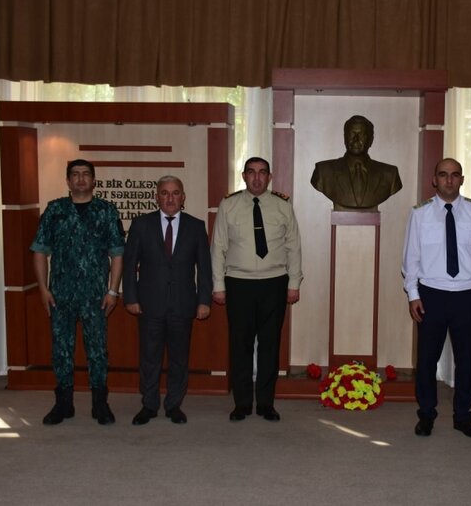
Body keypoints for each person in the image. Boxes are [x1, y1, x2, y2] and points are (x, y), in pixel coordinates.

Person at [402, 158, 471, 438]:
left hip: (467, 295)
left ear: (462, 180)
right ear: (434, 180)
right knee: (427, 360)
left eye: (455, 175)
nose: (449, 180)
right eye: (443, 175)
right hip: (431, 294)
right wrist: (413, 294)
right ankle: (426, 414)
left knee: (466, 360)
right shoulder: (420, 213)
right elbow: (411, 258)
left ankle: (463, 416)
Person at [31, 159, 125, 425]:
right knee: (61, 350)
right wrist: (43, 289)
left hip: (96, 296)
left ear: (94, 181)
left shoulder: (106, 211)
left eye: (85, 174)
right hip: (60, 294)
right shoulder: (55, 210)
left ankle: (100, 404)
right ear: (68, 181)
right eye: (75, 174)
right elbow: (40, 251)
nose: (81, 179)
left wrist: (113, 291)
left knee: (97, 350)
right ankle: (63, 404)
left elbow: (117, 254)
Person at [211, 157, 303, 422]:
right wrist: (218, 285)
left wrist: (294, 283)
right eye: (251, 172)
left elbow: (293, 246)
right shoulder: (229, 205)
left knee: (270, 346)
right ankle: (242, 403)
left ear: (270, 177)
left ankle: (265, 403)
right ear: (244, 176)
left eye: (262, 173)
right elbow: (218, 247)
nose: (257, 178)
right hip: (238, 283)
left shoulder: (283, 206)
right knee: (240, 345)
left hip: (274, 283)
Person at [122, 175, 212, 426]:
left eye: (175, 193)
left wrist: (204, 300)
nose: (170, 198)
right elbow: (129, 265)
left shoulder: (196, 226)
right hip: (149, 304)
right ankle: (149, 405)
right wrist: (130, 297)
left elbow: (205, 268)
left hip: (183, 304)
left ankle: (174, 405)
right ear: (157, 197)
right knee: (149, 358)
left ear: (183, 197)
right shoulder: (141, 225)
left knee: (179, 359)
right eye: (164, 193)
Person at [311, 114, 403, 211]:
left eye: (361, 134)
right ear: (344, 138)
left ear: (371, 140)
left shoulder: (390, 175)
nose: (356, 139)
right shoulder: (323, 172)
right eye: (351, 134)